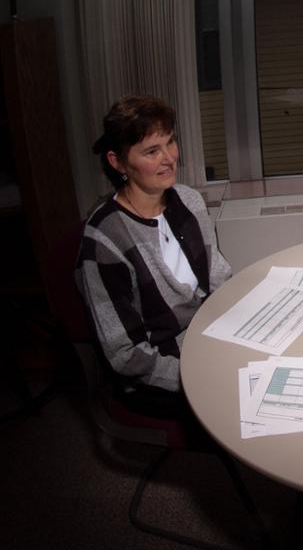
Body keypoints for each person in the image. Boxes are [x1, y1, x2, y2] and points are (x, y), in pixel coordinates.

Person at [76, 95, 231, 414]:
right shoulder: (105, 238)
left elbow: (219, 277)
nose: (169, 158)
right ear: (118, 162)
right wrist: (199, 377)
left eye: (170, 142)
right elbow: (125, 353)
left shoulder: (188, 200)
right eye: (151, 151)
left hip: (209, 338)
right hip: (161, 368)